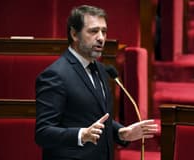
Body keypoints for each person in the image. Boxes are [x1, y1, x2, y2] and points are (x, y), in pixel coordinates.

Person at [35, 5, 158, 160]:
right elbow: (43, 133)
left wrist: (120, 132)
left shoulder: (100, 69)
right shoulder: (55, 75)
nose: (101, 37)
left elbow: (94, 116)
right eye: (93, 31)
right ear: (74, 34)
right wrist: (81, 135)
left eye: (104, 31)